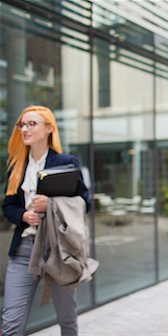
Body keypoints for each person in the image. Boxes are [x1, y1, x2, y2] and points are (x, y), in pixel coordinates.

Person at [1, 105, 90, 336]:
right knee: (11, 322)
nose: (25, 129)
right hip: (23, 251)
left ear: (49, 128)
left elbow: (85, 202)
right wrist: (23, 215)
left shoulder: (66, 162)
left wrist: (50, 204)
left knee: (67, 319)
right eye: (22, 124)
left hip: (59, 249)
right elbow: (8, 206)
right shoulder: (17, 166)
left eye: (32, 124)